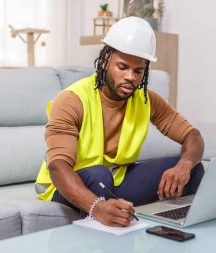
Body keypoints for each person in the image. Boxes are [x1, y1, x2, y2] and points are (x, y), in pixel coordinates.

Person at [35, 16, 205, 227]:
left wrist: (184, 165)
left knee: (194, 171)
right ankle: (104, 223)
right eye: (122, 67)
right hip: (68, 184)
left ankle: (163, 233)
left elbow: (192, 136)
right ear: (105, 61)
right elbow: (58, 167)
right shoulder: (72, 100)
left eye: (138, 71)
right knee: (99, 175)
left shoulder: (146, 99)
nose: (131, 77)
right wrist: (97, 206)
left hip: (113, 181)